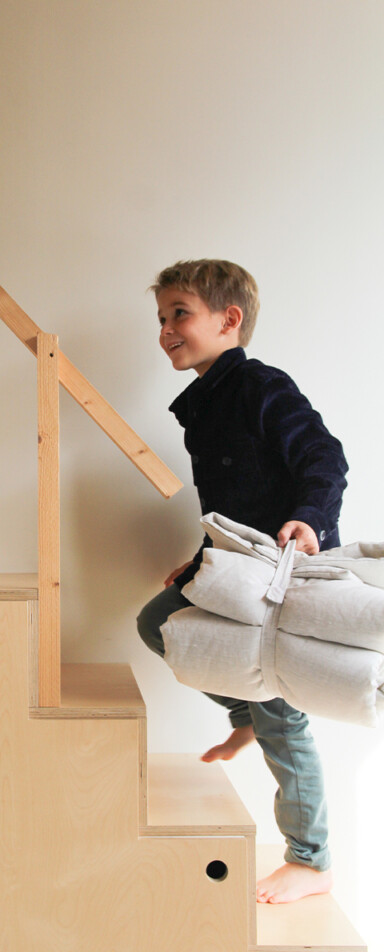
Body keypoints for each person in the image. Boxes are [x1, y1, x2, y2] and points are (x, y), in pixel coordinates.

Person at [136, 259, 348, 904]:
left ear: (229, 320)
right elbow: (232, 496)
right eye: (162, 318)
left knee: (284, 716)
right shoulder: (206, 401)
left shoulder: (258, 385)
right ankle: (244, 711)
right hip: (237, 562)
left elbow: (324, 456)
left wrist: (309, 520)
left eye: (181, 314)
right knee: (159, 623)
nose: (168, 329)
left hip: (282, 566)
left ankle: (311, 861)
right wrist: (202, 558)